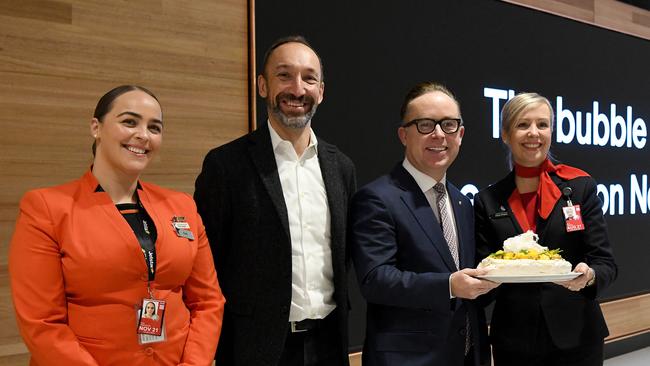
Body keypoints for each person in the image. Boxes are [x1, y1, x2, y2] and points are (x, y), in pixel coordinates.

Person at [9, 85, 225, 365]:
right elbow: (41, 323)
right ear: (96, 127)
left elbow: (208, 302)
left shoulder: (182, 205)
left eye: (154, 127)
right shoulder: (47, 208)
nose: (143, 135)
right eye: (129, 121)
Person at [194, 35, 356, 366]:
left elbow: (346, 256)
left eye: (309, 78)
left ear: (321, 92)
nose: (297, 88)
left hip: (330, 344)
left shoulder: (342, 167)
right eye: (284, 75)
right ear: (263, 85)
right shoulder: (226, 165)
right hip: (255, 349)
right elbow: (205, 266)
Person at [349, 82, 499, 366]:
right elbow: (375, 280)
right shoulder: (377, 198)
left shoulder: (461, 201)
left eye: (449, 125)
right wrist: (449, 286)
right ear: (403, 135)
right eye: (426, 124)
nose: (439, 134)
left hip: (468, 355)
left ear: (461, 134)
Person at [473, 92, 617, 365]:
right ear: (505, 134)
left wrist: (589, 276)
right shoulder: (487, 200)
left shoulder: (580, 186)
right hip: (513, 339)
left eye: (542, 124)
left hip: (577, 336)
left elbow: (605, 263)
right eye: (522, 124)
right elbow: (483, 269)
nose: (533, 133)